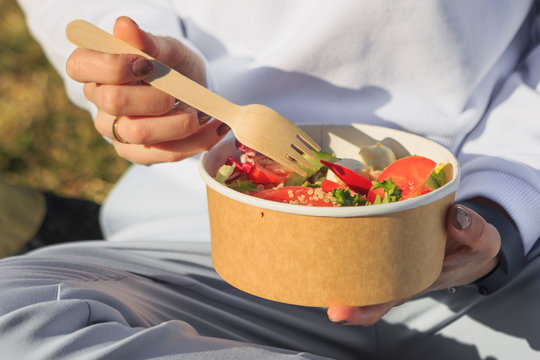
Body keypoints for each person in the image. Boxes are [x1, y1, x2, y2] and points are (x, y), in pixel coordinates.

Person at [2, 1, 539, 359]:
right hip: (209, 252)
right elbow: (86, 15)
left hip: (493, 245)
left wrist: (507, 199)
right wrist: (161, 82)